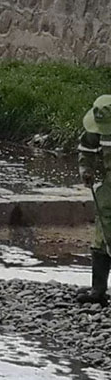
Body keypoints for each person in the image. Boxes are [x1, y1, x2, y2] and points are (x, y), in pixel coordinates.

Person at [77, 95, 111, 305]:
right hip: (109, 185)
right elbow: (87, 148)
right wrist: (86, 169)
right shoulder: (95, 128)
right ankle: (98, 290)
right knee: (102, 232)